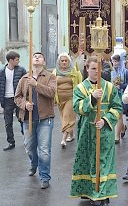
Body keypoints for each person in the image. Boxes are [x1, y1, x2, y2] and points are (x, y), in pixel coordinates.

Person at [70, 57, 122, 206]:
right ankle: (88, 191)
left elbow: (117, 108)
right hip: (87, 131)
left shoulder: (110, 87)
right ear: (87, 69)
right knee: (88, 161)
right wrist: (91, 98)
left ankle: (102, 193)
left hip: (104, 131)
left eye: (98, 69)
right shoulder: (80, 88)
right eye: (93, 69)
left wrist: (105, 120)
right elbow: (78, 108)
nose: (96, 72)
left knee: (104, 162)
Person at [14, 52, 56, 189]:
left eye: (40, 56)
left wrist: (36, 84)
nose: (37, 57)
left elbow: (51, 93)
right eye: (34, 56)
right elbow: (17, 97)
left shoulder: (50, 76)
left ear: (43, 62)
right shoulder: (24, 78)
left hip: (45, 118)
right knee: (29, 147)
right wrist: (25, 104)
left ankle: (45, 176)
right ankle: (34, 164)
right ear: (31, 61)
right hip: (28, 119)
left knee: (44, 149)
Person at [52, 53, 82, 148]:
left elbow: (80, 85)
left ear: (69, 62)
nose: (64, 62)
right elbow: (52, 86)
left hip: (71, 98)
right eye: (62, 61)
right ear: (59, 62)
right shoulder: (54, 72)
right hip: (60, 99)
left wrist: (80, 97)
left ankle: (63, 139)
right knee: (65, 118)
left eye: (66, 61)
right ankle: (71, 135)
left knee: (67, 116)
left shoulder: (75, 72)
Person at [0, 51, 26, 151]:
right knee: (8, 123)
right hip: (7, 99)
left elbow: (25, 84)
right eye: (17, 59)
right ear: (11, 60)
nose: (18, 61)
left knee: (22, 119)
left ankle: (26, 140)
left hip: (18, 99)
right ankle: (11, 142)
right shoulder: (2, 71)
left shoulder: (21, 70)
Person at [110, 54, 128, 144]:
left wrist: (121, 86)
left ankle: (116, 137)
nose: (115, 63)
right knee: (118, 115)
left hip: (122, 96)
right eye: (114, 61)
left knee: (119, 115)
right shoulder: (110, 72)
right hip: (112, 96)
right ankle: (122, 128)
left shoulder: (125, 72)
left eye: (117, 61)